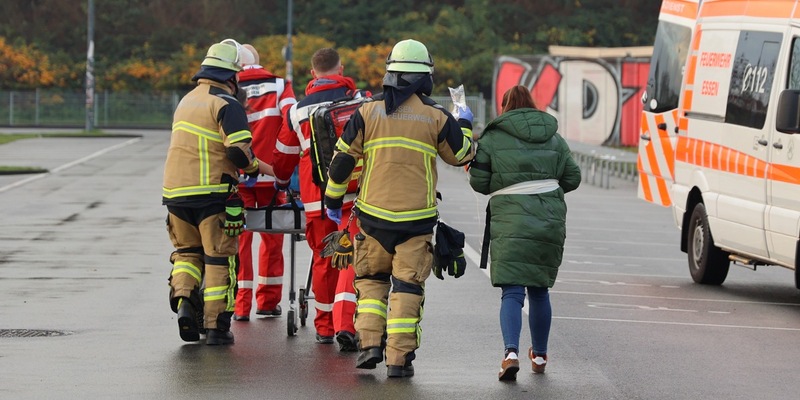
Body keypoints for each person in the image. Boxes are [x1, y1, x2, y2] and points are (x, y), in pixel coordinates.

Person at [323, 39, 475, 378]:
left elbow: (342, 162)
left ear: (390, 72)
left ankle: (369, 345)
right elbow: (462, 155)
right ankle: (398, 360)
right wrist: (464, 122)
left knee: (370, 283)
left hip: (372, 218)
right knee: (407, 287)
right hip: (416, 223)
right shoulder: (437, 116)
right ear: (425, 77)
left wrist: (333, 201)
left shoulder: (366, 111)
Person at [468, 85, 581, 381]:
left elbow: (479, 182)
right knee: (540, 289)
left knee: (513, 290)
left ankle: (510, 354)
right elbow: (573, 177)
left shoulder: (493, 138)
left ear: (504, 107)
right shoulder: (554, 138)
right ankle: (540, 355)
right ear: (532, 105)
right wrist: (545, 190)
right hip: (549, 218)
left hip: (510, 220)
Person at [162, 38, 271, 345]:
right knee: (218, 258)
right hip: (212, 193)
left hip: (175, 193)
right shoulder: (226, 103)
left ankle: (185, 301)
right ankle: (216, 328)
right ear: (232, 76)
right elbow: (237, 151)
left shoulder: (186, 100)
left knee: (187, 254)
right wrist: (253, 169)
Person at [272, 48, 368, 349]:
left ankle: (325, 327)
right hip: (356, 196)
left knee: (324, 259)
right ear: (341, 69)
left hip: (317, 200)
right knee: (353, 257)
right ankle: (347, 324)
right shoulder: (361, 101)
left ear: (313, 73)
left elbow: (284, 157)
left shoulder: (297, 111)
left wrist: (282, 184)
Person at [231, 44, 297, 322]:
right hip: (273, 177)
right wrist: (285, 165)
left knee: (240, 240)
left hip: (239, 176)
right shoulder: (280, 85)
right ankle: (268, 302)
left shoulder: (230, 86)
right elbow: (292, 120)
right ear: (258, 62)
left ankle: (240, 305)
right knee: (272, 237)